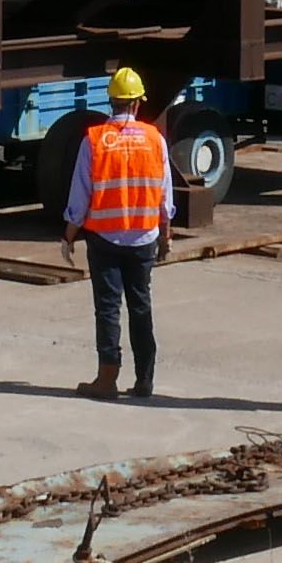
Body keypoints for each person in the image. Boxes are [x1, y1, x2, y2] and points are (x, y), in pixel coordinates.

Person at [57, 67, 177, 398]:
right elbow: (165, 194)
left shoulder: (94, 140)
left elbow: (80, 195)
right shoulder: (155, 140)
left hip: (105, 240)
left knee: (108, 308)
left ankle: (107, 378)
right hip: (143, 239)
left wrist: (68, 235)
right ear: (137, 103)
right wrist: (166, 233)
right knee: (141, 306)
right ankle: (145, 379)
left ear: (111, 101)